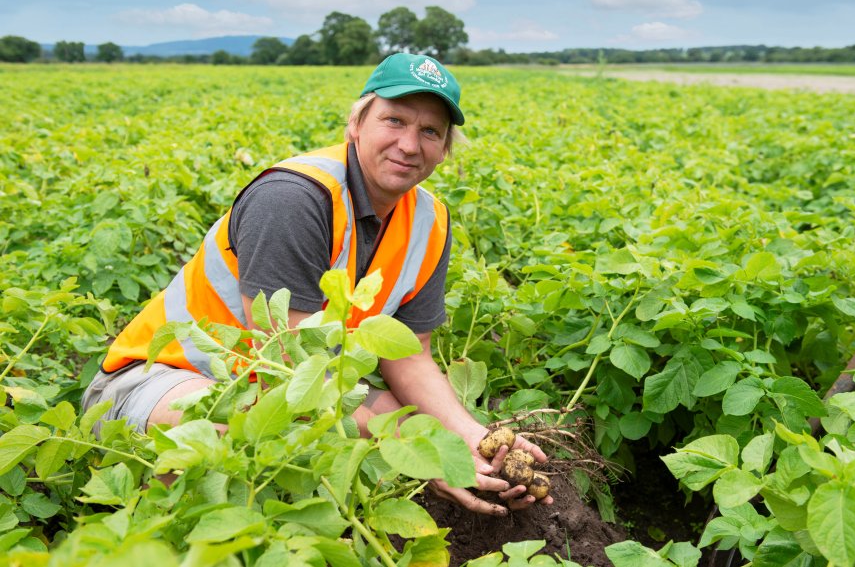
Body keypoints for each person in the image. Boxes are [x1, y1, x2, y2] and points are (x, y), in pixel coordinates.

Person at [82, 53, 551, 515]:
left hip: (293, 382)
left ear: (445, 148)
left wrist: (467, 437)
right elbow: (287, 363)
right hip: (163, 379)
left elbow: (410, 354)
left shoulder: (429, 220)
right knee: (230, 435)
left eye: (430, 131)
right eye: (394, 120)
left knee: (413, 425)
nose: (410, 144)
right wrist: (416, 453)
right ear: (356, 123)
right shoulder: (292, 199)